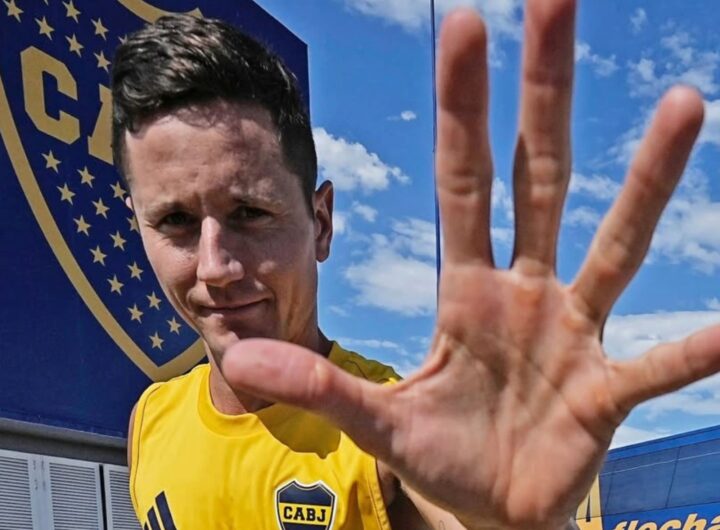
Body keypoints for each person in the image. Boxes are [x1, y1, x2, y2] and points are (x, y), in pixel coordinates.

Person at [112, 0, 720, 528]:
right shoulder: (150, 421)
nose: (215, 266)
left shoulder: (396, 433)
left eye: (249, 213)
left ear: (321, 222)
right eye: (176, 221)